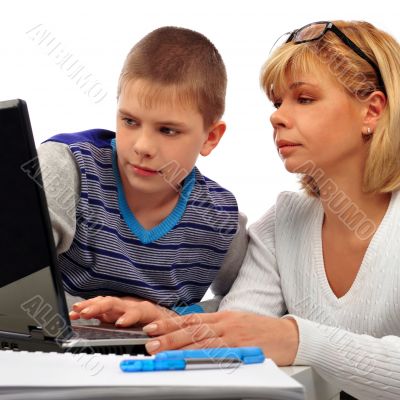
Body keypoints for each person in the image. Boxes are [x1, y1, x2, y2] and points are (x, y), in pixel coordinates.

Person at [130, 21, 400, 399]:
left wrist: (297, 338)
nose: (277, 116)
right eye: (277, 102)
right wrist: (171, 324)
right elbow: (239, 334)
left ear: (371, 111)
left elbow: (282, 339)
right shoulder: (283, 223)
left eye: (303, 99)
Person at [38, 26, 247, 325]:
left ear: (211, 137)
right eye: (130, 121)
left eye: (167, 130)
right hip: (55, 354)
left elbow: (249, 304)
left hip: (162, 364)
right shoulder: (67, 166)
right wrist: (99, 316)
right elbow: (16, 282)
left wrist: (170, 317)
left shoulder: (221, 218)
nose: (142, 146)